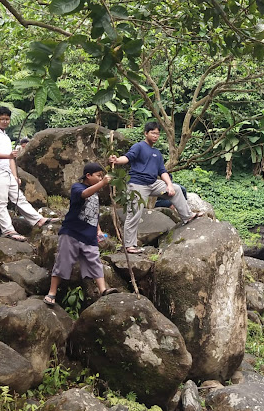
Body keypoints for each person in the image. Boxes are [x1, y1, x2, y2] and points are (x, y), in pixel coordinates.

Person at [109, 122, 202, 253]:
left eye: (157, 133)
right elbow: (128, 157)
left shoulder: (157, 153)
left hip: (153, 183)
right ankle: (129, 245)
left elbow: (162, 171)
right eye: (153, 133)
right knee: (135, 213)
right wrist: (117, 160)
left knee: (177, 188)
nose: (155, 136)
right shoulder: (139, 147)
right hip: (137, 184)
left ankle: (187, 216)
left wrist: (169, 185)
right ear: (145, 133)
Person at [0, 106, 58, 241]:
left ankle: (38, 220)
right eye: (2, 119)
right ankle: (8, 230)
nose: (5, 121)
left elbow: (11, 158)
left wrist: (15, 175)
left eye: (7, 119)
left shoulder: (5, 137)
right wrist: (8, 155)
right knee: (0, 203)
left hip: (6, 172)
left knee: (19, 198)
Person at [44, 162, 118, 306]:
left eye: (101, 176)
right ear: (88, 176)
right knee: (63, 261)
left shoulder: (95, 193)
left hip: (89, 234)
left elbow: (94, 213)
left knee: (95, 261)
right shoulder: (78, 187)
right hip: (72, 232)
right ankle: (52, 293)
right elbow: (84, 194)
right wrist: (102, 183)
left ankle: (103, 289)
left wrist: (98, 230)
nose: (100, 178)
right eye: (98, 176)